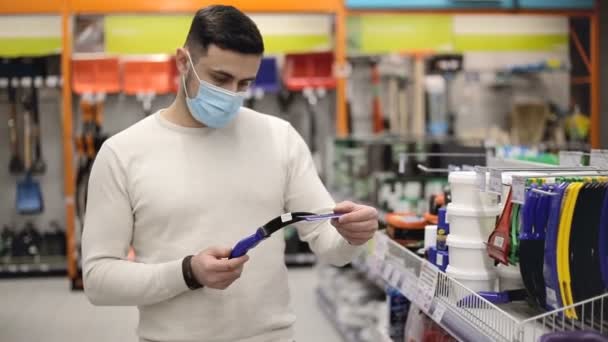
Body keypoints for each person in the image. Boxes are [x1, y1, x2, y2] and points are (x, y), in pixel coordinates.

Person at [82, 5, 378, 342]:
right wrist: (187, 272)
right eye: (220, 79)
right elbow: (98, 279)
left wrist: (353, 235)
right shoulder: (123, 153)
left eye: (244, 83)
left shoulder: (278, 138)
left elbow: (329, 243)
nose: (231, 94)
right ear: (183, 62)